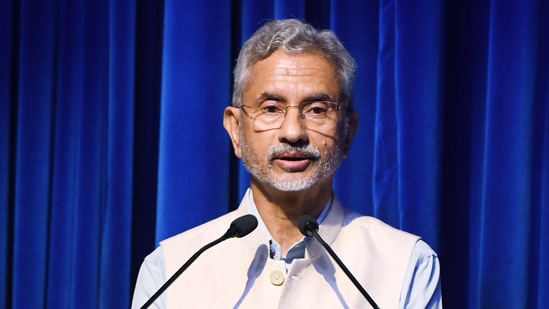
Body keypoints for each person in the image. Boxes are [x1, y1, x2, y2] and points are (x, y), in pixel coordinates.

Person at [132, 19, 442, 308]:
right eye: (271, 108)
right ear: (236, 131)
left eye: (317, 109)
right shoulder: (170, 270)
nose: (293, 132)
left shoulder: (407, 265)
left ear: (347, 132)